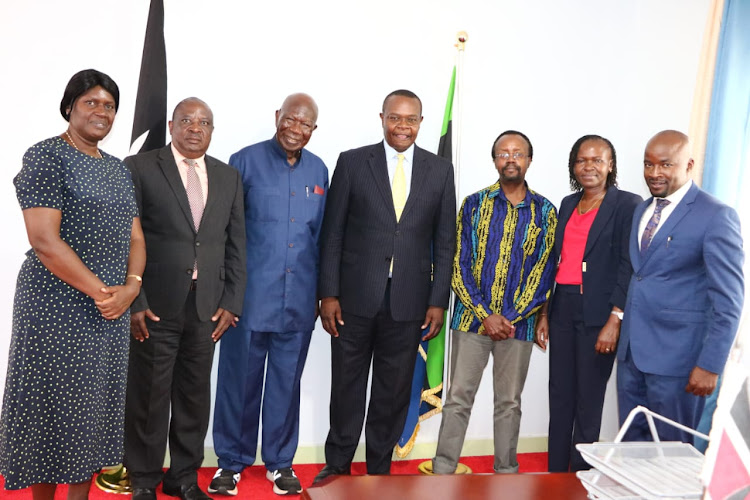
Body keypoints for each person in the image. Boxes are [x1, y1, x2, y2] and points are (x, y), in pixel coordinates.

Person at [0, 69, 146, 499]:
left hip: (110, 311)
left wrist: (132, 288)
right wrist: (107, 294)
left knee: (92, 411)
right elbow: (44, 241)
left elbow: (136, 237)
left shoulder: (119, 170)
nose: (102, 111)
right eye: (91, 102)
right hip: (55, 306)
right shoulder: (47, 156)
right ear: (70, 107)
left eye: (109, 105)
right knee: (47, 409)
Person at [315, 90, 456, 481]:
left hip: (409, 303)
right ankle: (338, 464)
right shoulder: (353, 162)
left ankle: (378, 469)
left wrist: (437, 300)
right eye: (396, 118)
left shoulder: (439, 170)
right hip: (353, 299)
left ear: (421, 123)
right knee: (346, 386)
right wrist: (327, 293)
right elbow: (333, 235)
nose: (403, 126)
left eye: (411, 119)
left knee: (392, 393)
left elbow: (445, 242)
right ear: (382, 118)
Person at [124, 98, 246, 500]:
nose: (196, 128)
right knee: (149, 396)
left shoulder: (227, 177)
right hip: (155, 304)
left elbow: (236, 244)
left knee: (195, 396)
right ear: (173, 124)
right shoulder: (141, 167)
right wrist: (135, 300)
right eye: (188, 121)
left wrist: (232, 300)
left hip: (207, 306)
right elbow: (126, 240)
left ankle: (184, 478)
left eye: (204, 122)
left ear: (213, 130)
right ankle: (143, 480)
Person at [209, 93, 327, 497]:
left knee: (285, 384)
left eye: (305, 123)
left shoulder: (319, 171)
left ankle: (280, 462)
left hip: (298, 301)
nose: (295, 128)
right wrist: (227, 294)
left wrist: (321, 295)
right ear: (277, 117)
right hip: (248, 300)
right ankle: (230, 463)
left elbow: (322, 238)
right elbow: (224, 232)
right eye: (290, 119)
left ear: (314, 129)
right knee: (238, 383)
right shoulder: (243, 161)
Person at [432, 130, 557, 475]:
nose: (510, 159)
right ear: (495, 160)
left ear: (529, 160)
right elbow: (458, 264)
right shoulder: (473, 204)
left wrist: (510, 317)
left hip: (519, 326)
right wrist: (487, 314)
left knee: (509, 403)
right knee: (458, 400)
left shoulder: (546, 211)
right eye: (503, 153)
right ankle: (443, 470)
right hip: (472, 322)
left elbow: (544, 272)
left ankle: (506, 474)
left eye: (518, 153)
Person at [617, 130, 744, 442]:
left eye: (665, 165)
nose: (654, 173)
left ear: (688, 165)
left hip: (679, 363)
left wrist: (710, 366)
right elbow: (642, 276)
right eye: (648, 165)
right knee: (631, 449)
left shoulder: (716, 215)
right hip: (632, 357)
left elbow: (728, 301)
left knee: (671, 454)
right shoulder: (642, 210)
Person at [540, 135, 641, 472]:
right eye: (582, 160)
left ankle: (580, 475)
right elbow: (558, 261)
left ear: (610, 165)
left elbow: (629, 265)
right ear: (573, 165)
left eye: (598, 160)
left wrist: (616, 318)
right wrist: (544, 312)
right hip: (563, 307)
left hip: (599, 313)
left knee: (588, 399)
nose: (589, 167)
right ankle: (556, 472)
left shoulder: (627, 204)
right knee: (560, 395)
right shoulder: (568, 204)